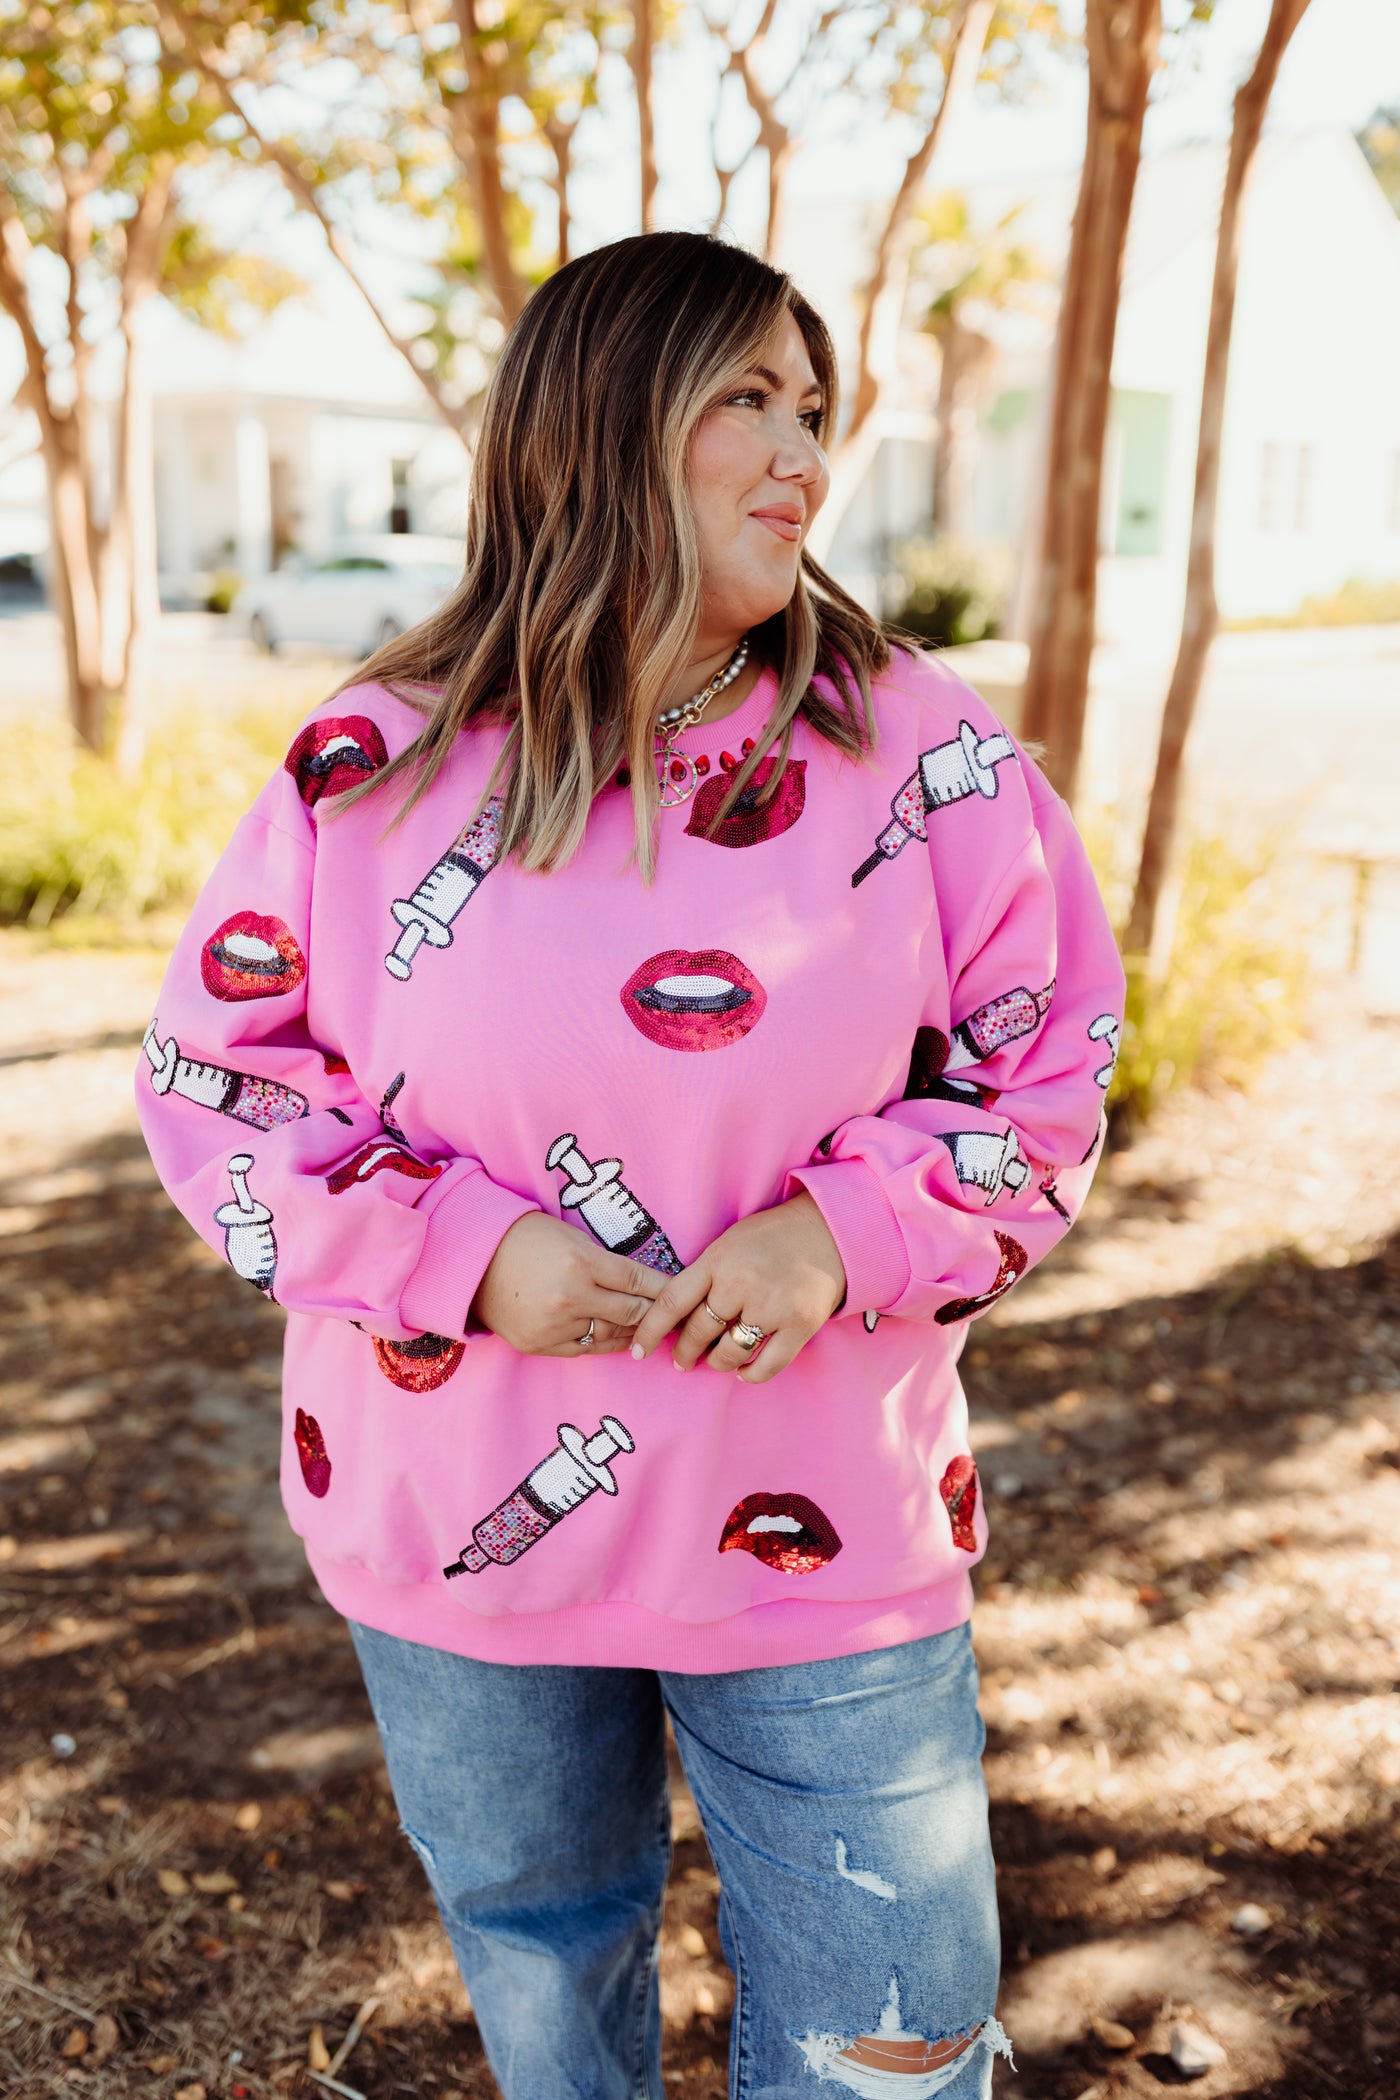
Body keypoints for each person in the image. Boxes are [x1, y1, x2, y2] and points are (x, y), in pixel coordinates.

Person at [139, 231, 1124, 2100]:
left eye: (811, 406)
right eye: (744, 396)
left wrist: (843, 1234)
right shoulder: (375, 767)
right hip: (462, 1521)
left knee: (895, 2038)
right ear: (596, 427)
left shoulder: (921, 751)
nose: (802, 455)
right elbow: (219, 1081)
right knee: (541, 1966)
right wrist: (463, 1256)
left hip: (820, 1526)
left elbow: (1051, 1059)